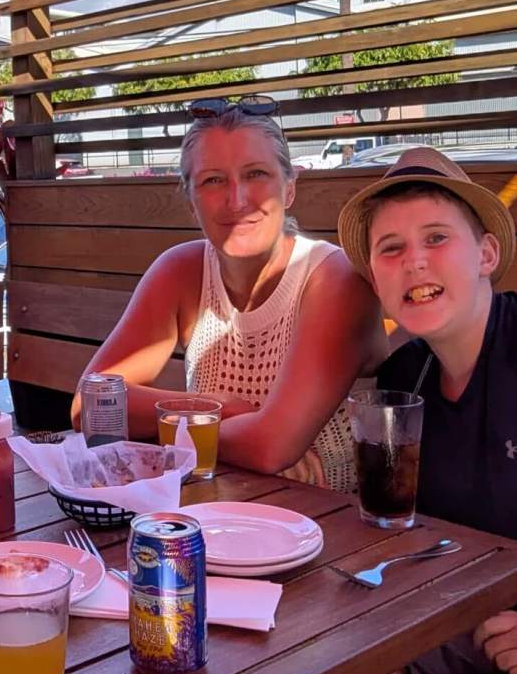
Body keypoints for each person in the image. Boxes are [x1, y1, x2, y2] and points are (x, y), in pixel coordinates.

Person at [72, 97, 386, 492]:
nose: (237, 200)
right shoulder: (180, 271)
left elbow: (271, 447)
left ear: (289, 188)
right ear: (190, 201)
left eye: (256, 174)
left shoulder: (332, 278)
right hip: (213, 507)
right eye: (213, 181)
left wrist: (171, 431)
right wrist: (208, 408)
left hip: (332, 529)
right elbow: (91, 406)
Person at [338, 146, 517, 674]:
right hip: (441, 623)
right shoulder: (402, 379)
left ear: (486, 254)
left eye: (437, 238)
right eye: (391, 248)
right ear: (375, 281)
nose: (414, 260)